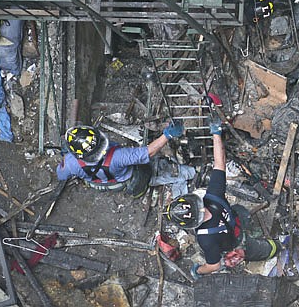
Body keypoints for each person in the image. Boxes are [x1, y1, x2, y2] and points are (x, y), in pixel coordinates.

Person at [166, 114, 279, 279]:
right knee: (267, 243)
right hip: (239, 217)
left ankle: (272, 248)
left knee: (262, 250)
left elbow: (214, 265)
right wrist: (216, 133)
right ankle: (273, 245)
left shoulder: (206, 240)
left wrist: (197, 270)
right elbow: (219, 163)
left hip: (235, 242)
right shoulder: (213, 196)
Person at [56, 120, 184, 198]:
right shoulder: (119, 156)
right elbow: (149, 152)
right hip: (122, 181)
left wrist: (68, 158)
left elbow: (61, 175)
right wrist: (168, 134)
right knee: (145, 170)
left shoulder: (70, 163)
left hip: (96, 183)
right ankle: (140, 190)